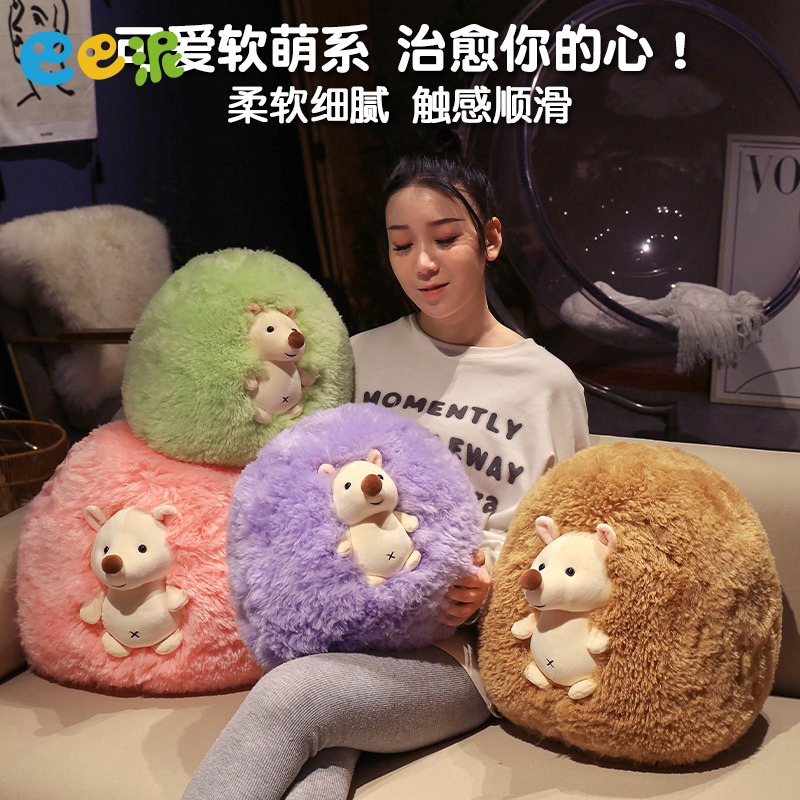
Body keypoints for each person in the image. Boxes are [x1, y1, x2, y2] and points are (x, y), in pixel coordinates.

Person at [181, 136, 590, 800]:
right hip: (344, 624)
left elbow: (566, 538)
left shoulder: (546, 385)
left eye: (445, 238)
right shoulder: (360, 357)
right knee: (319, 764)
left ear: (490, 239)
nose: (423, 262)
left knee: (294, 696)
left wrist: (492, 584)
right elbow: (299, 481)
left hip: (457, 654)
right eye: (402, 245)